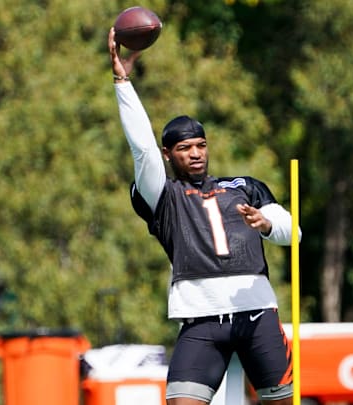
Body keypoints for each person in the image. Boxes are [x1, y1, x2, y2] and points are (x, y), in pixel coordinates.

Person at [108, 28, 300, 405]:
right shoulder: (164, 197)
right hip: (201, 320)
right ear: (169, 154)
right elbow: (142, 150)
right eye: (184, 148)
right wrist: (122, 82)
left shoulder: (244, 186)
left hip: (257, 313)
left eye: (201, 145)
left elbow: (292, 232)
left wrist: (266, 224)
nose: (195, 154)